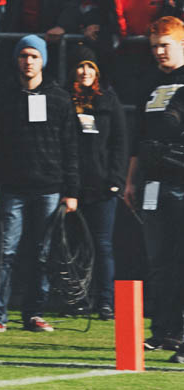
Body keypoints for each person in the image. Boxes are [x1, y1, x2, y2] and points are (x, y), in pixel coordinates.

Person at [0, 35, 79, 333]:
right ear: (17, 59)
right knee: (4, 253)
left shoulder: (60, 98)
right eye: (24, 56)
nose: (28, 61)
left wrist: (71, 192)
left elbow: (70, 147)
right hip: (12, 190)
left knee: (43, 254)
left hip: (49, 189)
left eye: (34, 56)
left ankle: (34, 314)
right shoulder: (5, 97)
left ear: (43, 59)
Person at [123, 16, 184, 353]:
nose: (159, 52)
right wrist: (131, 181)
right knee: (159, 262)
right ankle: (162, 331)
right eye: (154, 47)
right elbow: (138, 138)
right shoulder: (148, 84)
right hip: (153, 185)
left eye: (165, 45)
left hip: (181, 182)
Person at [68, 44, 127, 320]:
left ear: (98, 71)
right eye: (80, 66)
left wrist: (115, 179)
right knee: (76, 245)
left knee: (102, 245)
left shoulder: (109, 100)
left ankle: (105, 301)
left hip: (103, 187)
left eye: (90, 66)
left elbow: (120, 142)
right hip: (74, 187)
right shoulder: (65, 100)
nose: (85, 72)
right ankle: (78, 301)